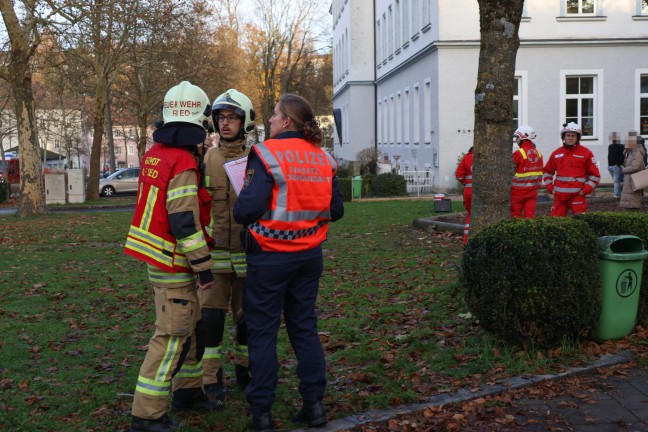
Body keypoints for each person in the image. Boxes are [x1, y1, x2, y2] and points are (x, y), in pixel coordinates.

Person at [233, 94, 344, 431]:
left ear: (287, 121)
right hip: (309, 256)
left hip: (269, 257)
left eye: (276, 114)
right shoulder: (324, 159)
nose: (270, 119)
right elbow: (336, 211)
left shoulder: (266, 154)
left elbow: (245, 210)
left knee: (263, 332)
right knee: (304, 328)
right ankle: (314, 406)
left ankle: (262, 413)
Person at [124, 81, 222, 432]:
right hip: (175, 263)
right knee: (170, 338)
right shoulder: (182, 161)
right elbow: (184, 222)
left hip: (159, 259)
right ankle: (147, 415)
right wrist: (204, 268)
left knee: (190, 329)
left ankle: (187, 391)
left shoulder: (155, 155)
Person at [197, 89, 256, 406]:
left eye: (232, 117)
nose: (226, 123)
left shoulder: (256, 159)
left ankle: (246, 374)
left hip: (249, 261)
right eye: (221, 117)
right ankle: (212, 382)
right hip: (215, 260)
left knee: (247, 321)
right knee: (211, 321)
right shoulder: (207, 159)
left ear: (244, 121)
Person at [542, 122, 601, 216]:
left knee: (580, 224)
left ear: (577, 137)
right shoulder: (556, 153)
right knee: (555, 224)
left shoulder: (586, 153)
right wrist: (550, 188)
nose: (570, 138)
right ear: (563, 137)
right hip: (559, 197)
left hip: (577, 196)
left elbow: (595, 176)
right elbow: (547, 172)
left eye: (573, 135)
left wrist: (584, 191)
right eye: (568, 135)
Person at [511, 125, 543, 218]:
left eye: (516, 137)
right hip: (533, 192)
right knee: (530, 217)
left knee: (515, 217)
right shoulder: (538, 153)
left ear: (521, 138)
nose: (516, 140)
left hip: (518, 193)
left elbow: (510, 172)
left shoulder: (518, 153)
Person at [619, 134, 646, 210]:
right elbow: (626, 164)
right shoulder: (631, 153)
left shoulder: (636, 153)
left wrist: (624, 170)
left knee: (632, 203)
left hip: (633, 181)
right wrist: (625, 155)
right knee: (629, 203)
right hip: (630, 181)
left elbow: (635, 167)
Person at [455, 147, 473, 244]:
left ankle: (466, 240)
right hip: (484, 192)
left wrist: (466, 182)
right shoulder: (487, 157)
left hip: (469, 191)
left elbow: (459, 175)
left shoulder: (467, 158)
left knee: (470, 214)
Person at [607, 132, 625, 199]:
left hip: (616, 166)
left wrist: (618, 164)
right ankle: (618, 193)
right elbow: (609, 155)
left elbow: (622, 156)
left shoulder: (621, 146)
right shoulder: (610, 146)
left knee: (616, 181)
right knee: (616, 181)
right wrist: (609, 164)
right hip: (610, 166)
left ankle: (616, 195)